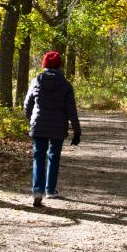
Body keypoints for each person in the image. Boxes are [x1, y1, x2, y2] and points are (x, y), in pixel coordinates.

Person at [23, 50, 81, 207]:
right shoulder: (65, 85)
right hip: (57, 127)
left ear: (44, 65)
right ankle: (50, 190)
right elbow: (71, 111)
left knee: (38, 156)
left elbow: (27, 105)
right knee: (53, 156)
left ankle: (37, 191)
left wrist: (31, 119)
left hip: (39, 125)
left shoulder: (36, 81)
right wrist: (77, 130)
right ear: (59, 65)